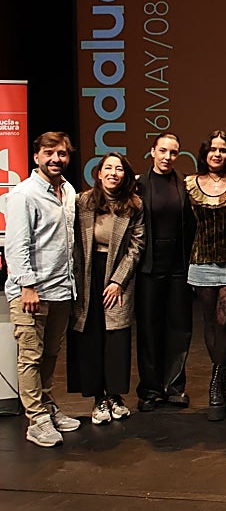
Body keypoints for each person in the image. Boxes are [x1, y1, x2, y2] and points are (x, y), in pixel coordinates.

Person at [4, 132, 82, 447]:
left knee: (50, 354)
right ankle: (36, 420)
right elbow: (16, 245)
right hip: (32, 293)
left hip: (61, 290)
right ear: (36, 155)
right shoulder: (24, 194)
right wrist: (27, 286)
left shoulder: (69, 191)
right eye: (49, 153)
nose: (56, 159)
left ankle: (47, 406)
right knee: (30, 357)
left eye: (62, 154)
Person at [67, 153, 145, 425]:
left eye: (119, 169)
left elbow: (137, 247)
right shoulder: (82, 202)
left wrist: (118, 280)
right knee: (90, 334)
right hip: (87, 272)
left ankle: (115, 395)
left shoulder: (134, 205)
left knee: (117, 336)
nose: (113, 173)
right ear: (98, 173)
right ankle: (97, 398)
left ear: (126, 175)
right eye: (108, 168)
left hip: (117, 274)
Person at [185, 130, 226, 421]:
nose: (217, 154)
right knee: (210, 324)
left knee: (225, 323)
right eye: (212, 149)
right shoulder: (188, 184)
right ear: (204, 153)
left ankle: (214, 382)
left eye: (222, 149)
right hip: (201, 262)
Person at [134, 133, 195, 412]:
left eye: (173, 152)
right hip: (149, 266)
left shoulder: (184, 183)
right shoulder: (138, 184)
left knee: (179, 328)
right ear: (152, 152)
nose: (167, 157)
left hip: (178, 267)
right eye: (162, 151)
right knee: (149, 329)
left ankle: (174, 387)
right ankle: (150, 389)